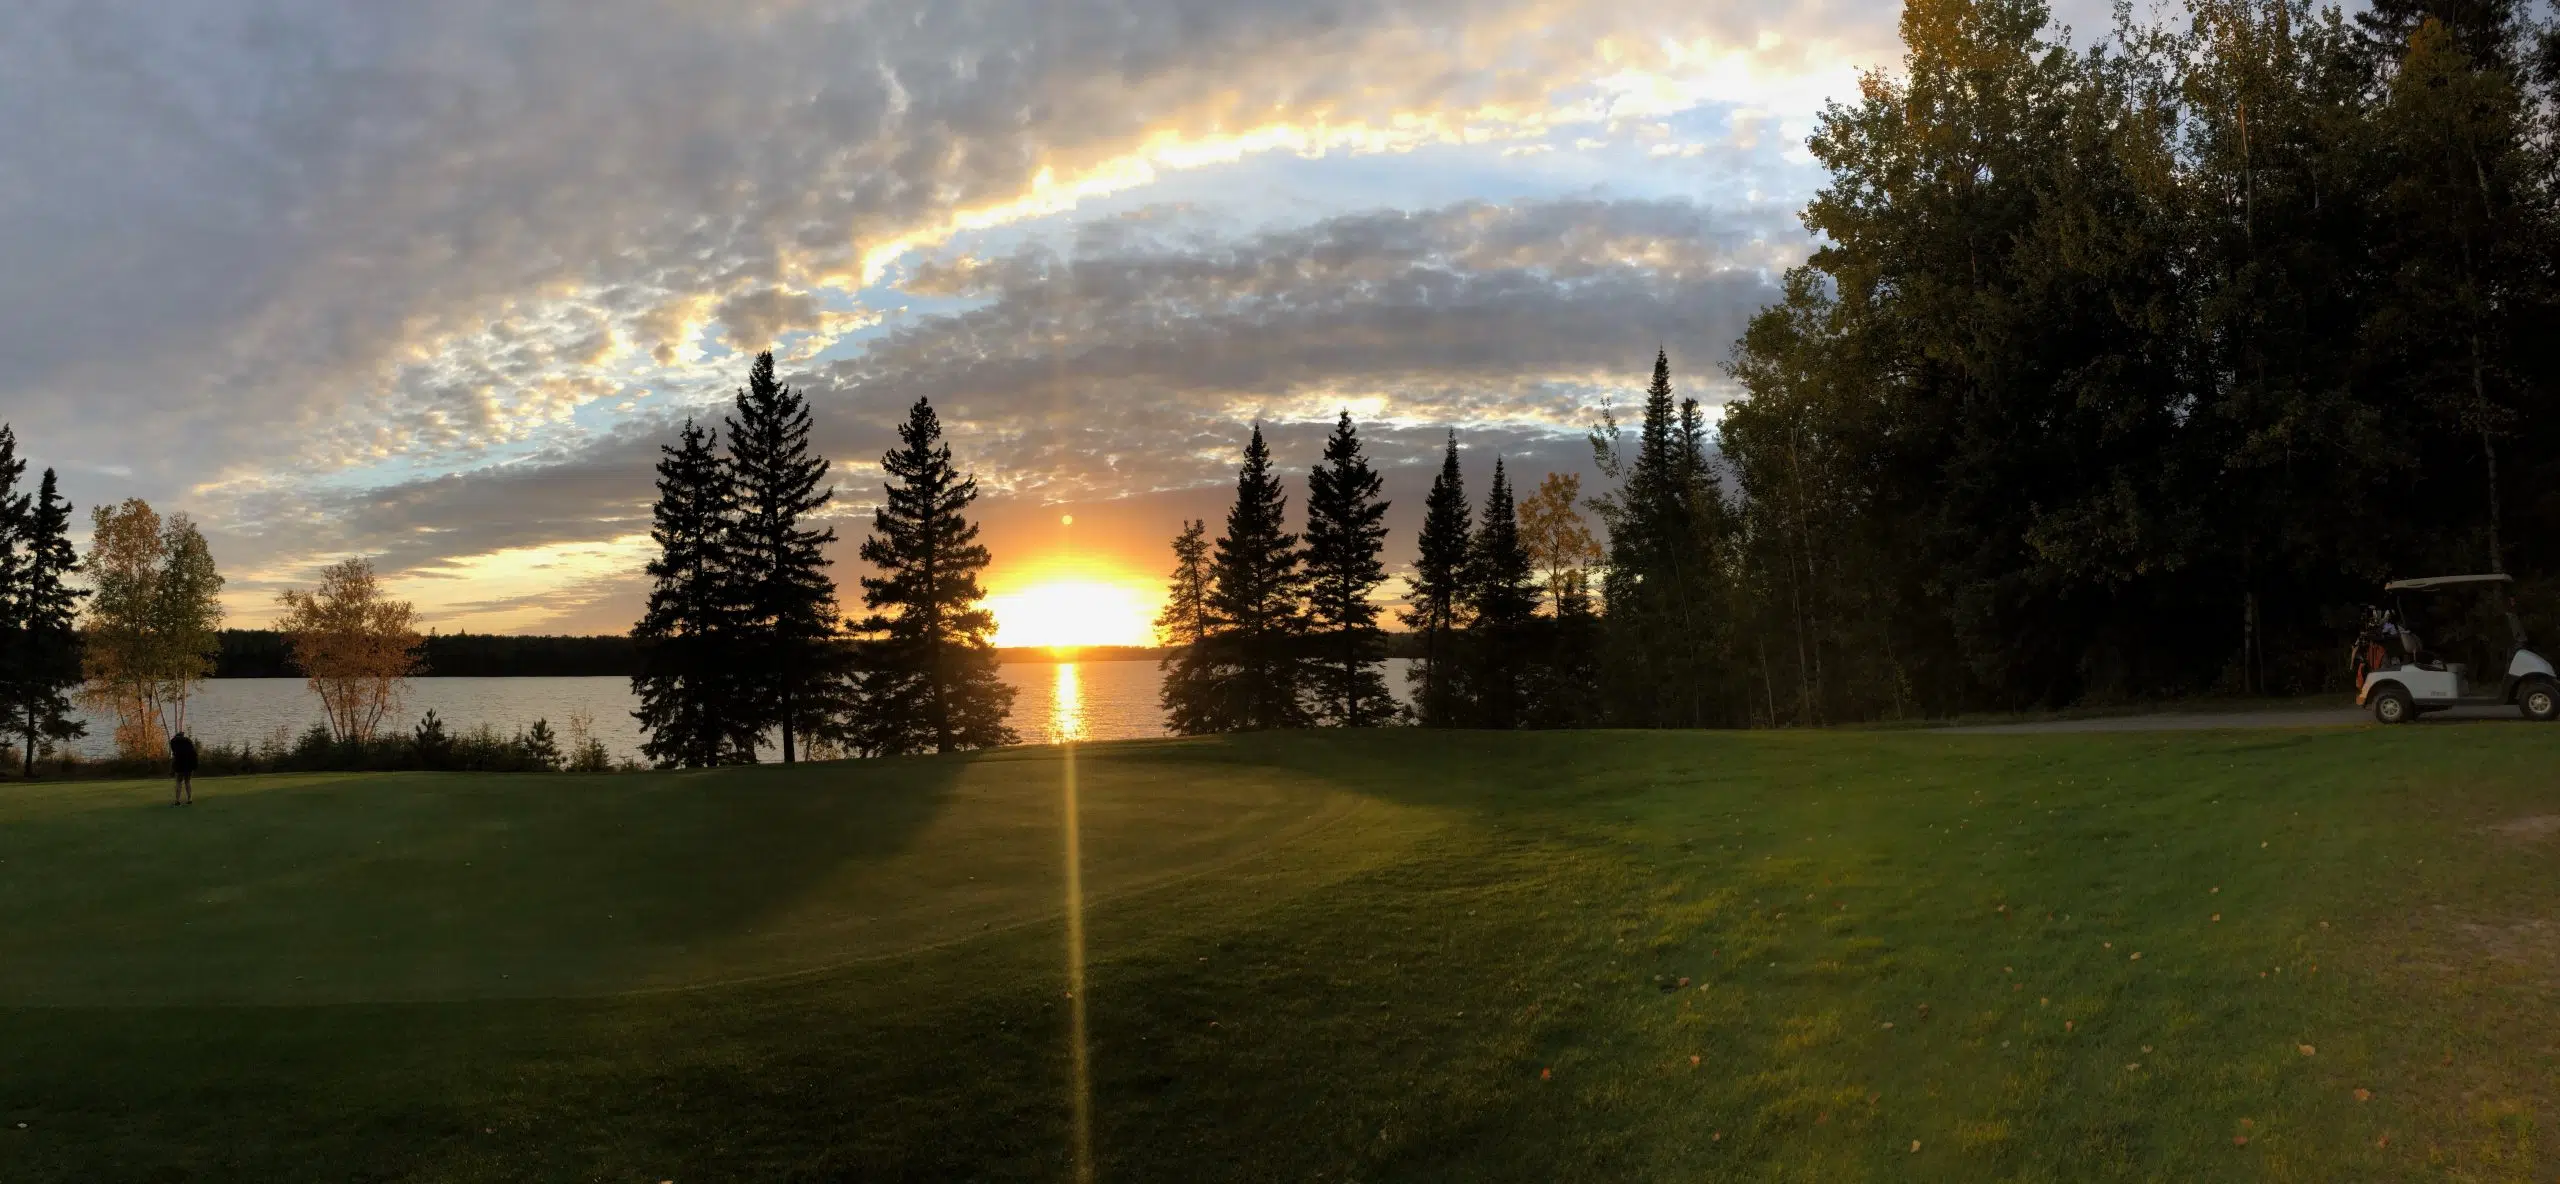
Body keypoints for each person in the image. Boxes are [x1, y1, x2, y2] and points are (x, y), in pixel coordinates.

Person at [169, 731, 197, 806]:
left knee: (178, 782)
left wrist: (172, 767)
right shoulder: (188, 742)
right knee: (187, 781)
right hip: (189, 765)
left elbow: (174, 754)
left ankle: (177, 800)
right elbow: (193, 753)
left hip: (179, 765)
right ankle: (189, 799)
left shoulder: (174, 742)